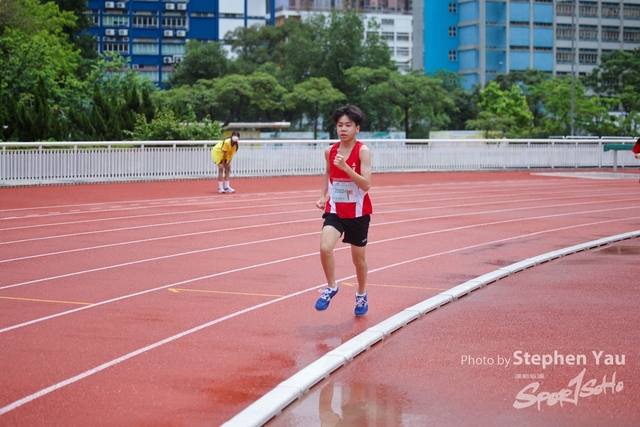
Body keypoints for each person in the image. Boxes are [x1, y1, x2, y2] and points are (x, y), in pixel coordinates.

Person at [315, 105, 372, 317]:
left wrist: (346, 167)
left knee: (358, 261)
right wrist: (323, 196)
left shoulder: (363, 151)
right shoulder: (329, 151)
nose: (343, 129)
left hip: (358, 212)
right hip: (335, 209)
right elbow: (327, 173)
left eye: (348, 125)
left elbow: (366, 184)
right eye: (340, 125)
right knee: (325, 248)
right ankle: (331, 286)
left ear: (357, 128)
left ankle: (361, 293)